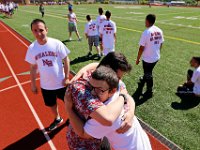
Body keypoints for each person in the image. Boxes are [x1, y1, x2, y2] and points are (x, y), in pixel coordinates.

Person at [66, 66, 152, 150]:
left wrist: (69, 108)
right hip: (143, 143)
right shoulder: (118, 90)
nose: (92, 93)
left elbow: (82, 133)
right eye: (91, 87)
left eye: (99, 89)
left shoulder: (105, 117)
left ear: (112, 91)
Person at [65, 53, 134, 149]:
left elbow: (125, 92)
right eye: (118, 77)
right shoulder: (81, 90)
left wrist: (130, 113)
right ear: (107, 69)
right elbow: (108, 119)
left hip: (99, 138)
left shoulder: (109, 81)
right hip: (82, 144)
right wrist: (122, 96)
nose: (118, 81)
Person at [25, 19, 71, 131]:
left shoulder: (56, 43)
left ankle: (72, 118)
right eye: (35, 30)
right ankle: (57, 118)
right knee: (51, 104)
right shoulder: (32, 48)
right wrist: (33, 84)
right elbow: (33, 67)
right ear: (32, 32)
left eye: (41, 30)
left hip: (61, 83)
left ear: (46, 30)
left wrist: (67, 77)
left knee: (69, 102)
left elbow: (66, 60)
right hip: (46, 85)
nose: (38, 33)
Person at [136, 14, 164, 98]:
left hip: (148, 59)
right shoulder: (159, 30)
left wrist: (138, 59)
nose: (145, 22)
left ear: (147, 21)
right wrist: (157, 52)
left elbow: (141, 48)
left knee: (148, 73)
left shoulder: (146, 32)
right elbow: (161, 43)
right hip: (156, 57)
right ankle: (144, 79)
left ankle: (149, 91)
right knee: (148, 71)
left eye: (145, 20)